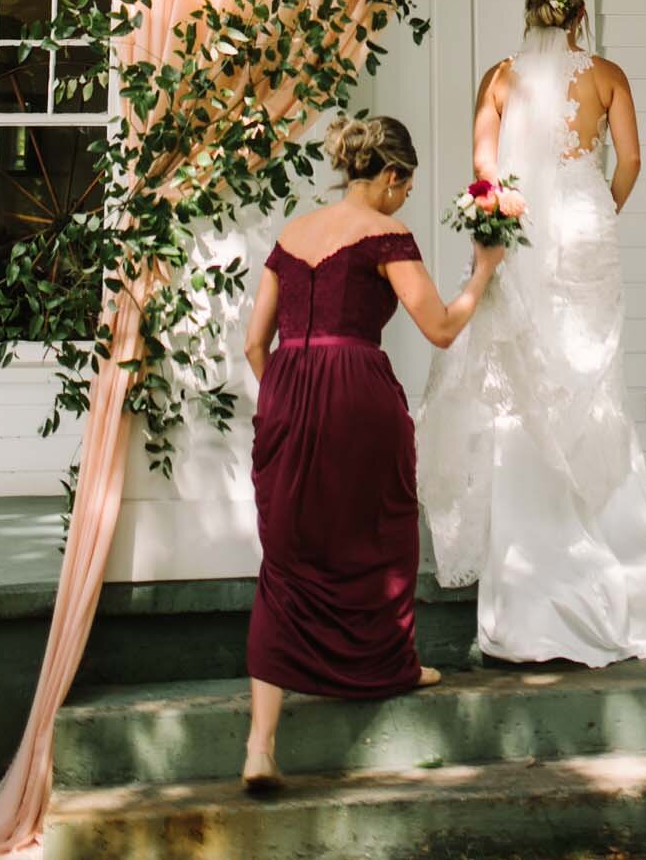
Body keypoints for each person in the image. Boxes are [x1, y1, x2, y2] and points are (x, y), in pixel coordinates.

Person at [417, 0, 646, 666]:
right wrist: (601, 202)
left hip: (525, 226)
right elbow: (630, 158)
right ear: (578, 13)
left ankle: (532, 555)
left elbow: (484, 172)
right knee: (593, 372)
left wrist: (499, 220)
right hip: (585, 219)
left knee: (523, 368)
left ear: (529, 10)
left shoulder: (500, 78)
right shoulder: (607, 74)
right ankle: (609, 534)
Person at [241, 113, 500, 791]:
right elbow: (440, 326)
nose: (405, 198)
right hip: (357, 388)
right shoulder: (386, 235)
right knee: (381, 530)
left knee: (287, 558)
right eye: (406, 186)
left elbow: (252, 344)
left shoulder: (291, 235)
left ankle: (260, 748)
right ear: (391, 175)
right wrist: (483, 273)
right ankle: (393, 663)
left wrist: (286, 400)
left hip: (289, 393)